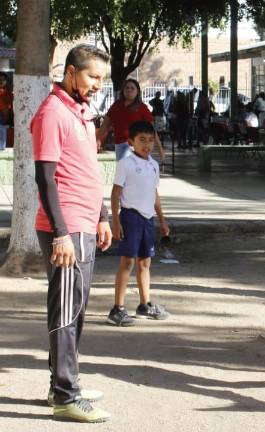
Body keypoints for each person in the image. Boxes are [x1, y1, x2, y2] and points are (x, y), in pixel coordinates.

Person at [32, 44, 113, 422]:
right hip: (64, 227)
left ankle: (63, 383)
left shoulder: (81, 112)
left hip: (84, 222)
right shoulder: (51, 113)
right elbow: (45, 177)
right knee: (65, 312)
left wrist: (102, 215)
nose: (98, 84)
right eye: (93, 76)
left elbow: (88, 170)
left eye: (102, 78)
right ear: (70, 72)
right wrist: (61, 234)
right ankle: (65, 395)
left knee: (76, 310)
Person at [107, 121, 171, 327]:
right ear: (130, 142)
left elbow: (155, 194)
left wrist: (162, 220)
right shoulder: (126, 163)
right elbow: (115, 193)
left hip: (147, 218)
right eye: (142, 140)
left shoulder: (153, 164)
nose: (147, 144)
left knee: (145, 262)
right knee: (127, 262)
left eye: (151, 140)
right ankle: (117, 308)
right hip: (130, 217)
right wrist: (115, 221)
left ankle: (145, 304)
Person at [99, 79, 164, 161]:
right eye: (127, 88)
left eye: (132, 88)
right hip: (119, 145)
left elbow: (151, 129)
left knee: (133, 170)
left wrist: (160, 148)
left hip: (136, 146)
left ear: (137, 92)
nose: (129, 90)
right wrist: (95, 141)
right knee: (124, 170)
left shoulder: (142, 107)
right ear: (123, 90)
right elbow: (105, 125)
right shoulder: (116, 106)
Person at [0, 71, 12, 151]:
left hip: (3, 112)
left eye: (3, 79)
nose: (1, 81)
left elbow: (9, 102)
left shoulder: (7, 91)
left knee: (2, 128)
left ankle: (1, 146)